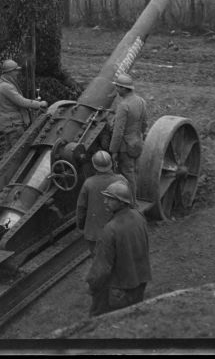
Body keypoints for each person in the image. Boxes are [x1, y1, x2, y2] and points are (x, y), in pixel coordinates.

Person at [85, 180, 152, 317]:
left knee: (100, 321)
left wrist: (93, 285)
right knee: (133, 318)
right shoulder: (139, 217)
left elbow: (102, 268)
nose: (105, 202)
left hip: (120, 289)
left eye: (110, 199)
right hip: (140, 281)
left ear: (122, 202)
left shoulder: (110, 229)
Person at [76, 151, 127, 257]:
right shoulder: (122, 180)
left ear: (94, 166)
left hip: (95, 234)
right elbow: (130, 204)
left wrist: (81, 225)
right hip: (119, 231)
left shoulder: (88, 183)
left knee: (99, 263)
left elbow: (81, 207)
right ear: (111, 164)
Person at [109, 74, 147, 205]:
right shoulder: (141, 101)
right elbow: (144, 124)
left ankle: (131, 203)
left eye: (118, 87)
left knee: (127, 175)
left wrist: (113, 151)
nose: (117, 90)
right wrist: (138, 136)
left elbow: (118, 132)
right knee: (133, 172)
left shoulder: (123, 106)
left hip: (125, 147)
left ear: (125, 89)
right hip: (136, 143)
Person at [0, 59, 47, 153]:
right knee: (19, 152)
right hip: (13, 125)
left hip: (10, 124)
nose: (17, 73)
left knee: (9, 153)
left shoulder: (5, 83)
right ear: (9, 72)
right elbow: (21, 101)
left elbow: (17, 101)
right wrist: (39, 104)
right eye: (15, 71)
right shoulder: (6, 87)